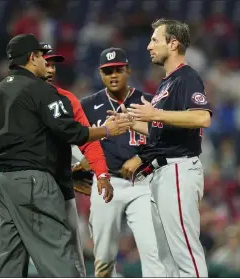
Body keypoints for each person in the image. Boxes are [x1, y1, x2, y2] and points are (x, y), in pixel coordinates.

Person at [0, 34, 131, 277]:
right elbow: (69, 131)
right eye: (42, 56)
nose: (46, 62)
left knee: (8, 259)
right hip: (31, 181)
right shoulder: (41, 90)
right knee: (58, 255)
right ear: (32, 58)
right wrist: (107, 130)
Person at [110, 19, 212, 277]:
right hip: (161, 173)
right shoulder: (166, 83)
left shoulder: (186, 77)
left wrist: (154, 113)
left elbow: (202, 118)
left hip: (178, 169)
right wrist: (131, 122)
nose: (149, 46)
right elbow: (159, 129)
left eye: (155, 39)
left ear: (173, 43)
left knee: (184, 252)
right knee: (165, 257)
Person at [72, 47, 166, 277]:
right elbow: (73, 138)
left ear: (128, 71)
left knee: (152, 250)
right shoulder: (88, 104)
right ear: (100, 74)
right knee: (103, 257)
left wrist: (141, 158)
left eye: (118, 70)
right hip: (107, 184)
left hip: (143, 184)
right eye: (107, 71)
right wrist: (83, 161)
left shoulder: (147, 101)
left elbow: (166, 142)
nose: (113, 75)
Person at [42, 45, 113, 277]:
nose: (51, 69)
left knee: (71, 252)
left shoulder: (67, 99)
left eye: (53, 64)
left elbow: (85, 140)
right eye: (46, 62)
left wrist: (100, 173)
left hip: (59, 188)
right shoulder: (11, 96)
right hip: (23, 182)